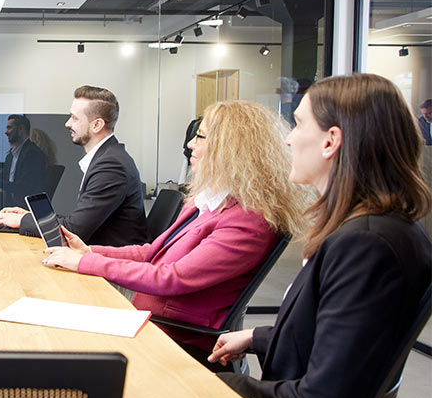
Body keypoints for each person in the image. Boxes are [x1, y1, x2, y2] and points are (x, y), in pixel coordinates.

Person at [116, 74, 431, 398]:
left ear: (332, 140)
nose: (287, 138)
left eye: (298, 123)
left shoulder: (365, 245)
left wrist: (199, 385)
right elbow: (350, 339)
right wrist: (260, 337)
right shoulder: (380, 232)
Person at [42, 100, 309, 357]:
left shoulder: (248, 222)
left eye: (200, 137)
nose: (190, 144)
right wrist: (89, 251)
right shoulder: (205, 202)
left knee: (53, 340)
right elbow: (151, 253)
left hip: (173, 336)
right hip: (146, 319)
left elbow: (172, 278)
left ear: (230, 149)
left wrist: (86, 262)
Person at [0, 86, 147, 246]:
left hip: (109, 262)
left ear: (96, 125)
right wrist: (33, 217)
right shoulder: (108, 157)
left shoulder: (112, 166)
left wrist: (22, 220)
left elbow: (74, 230)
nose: (67, 123)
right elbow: (78, 221)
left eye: (74, 118)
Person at [0, 114, 46, 208]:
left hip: (26, 209)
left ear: (21, 129)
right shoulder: (10, 156)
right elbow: (4, 176)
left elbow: (23, 187)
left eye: (9, 128)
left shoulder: (33, 154)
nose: (6, 132)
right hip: (10, 208)